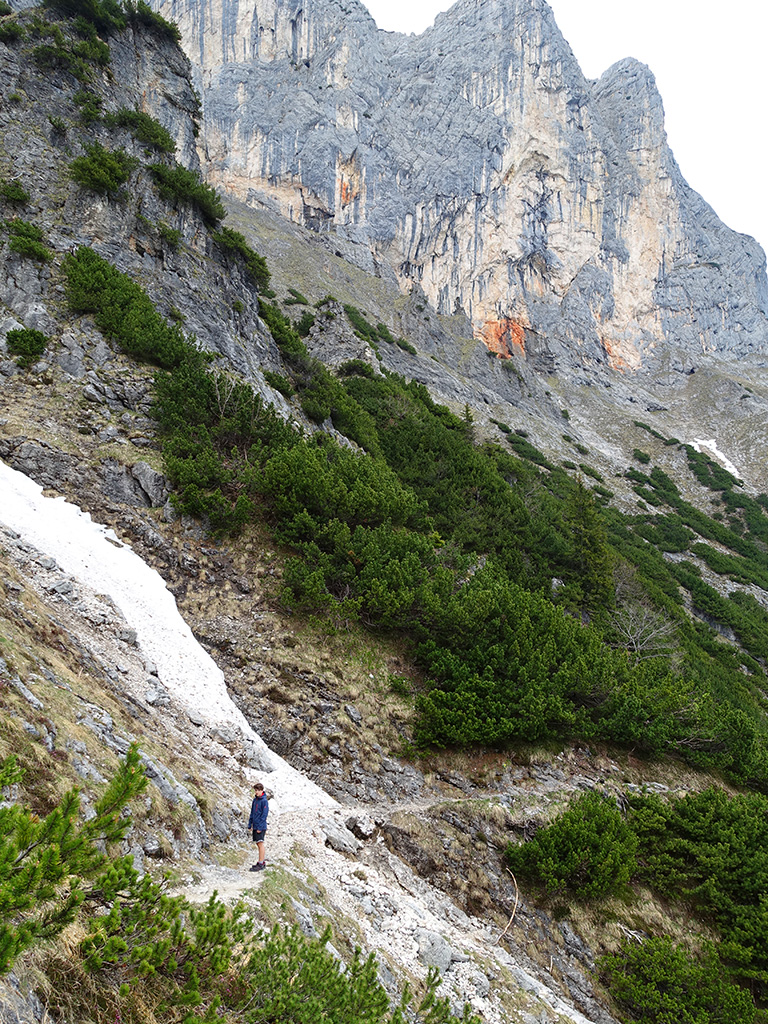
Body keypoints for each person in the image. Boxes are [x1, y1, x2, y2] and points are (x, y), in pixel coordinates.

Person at [248, 782, 269, 871]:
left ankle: (261, 863)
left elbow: (264, 815)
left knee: (260, 843)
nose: (256, 792)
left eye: (258, 790)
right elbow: (252, 813)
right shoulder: (255, 800)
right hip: (255, 825)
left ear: (261, 790)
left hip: (261, 826)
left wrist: (260, 827)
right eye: (255, 790)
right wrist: (250, 824)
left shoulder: (264, 801)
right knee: (258, 843)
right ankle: (261, 861)